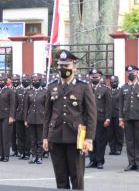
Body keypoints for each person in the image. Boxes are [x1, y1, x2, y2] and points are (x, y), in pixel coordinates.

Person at [43, 50, 97, 190]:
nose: (63, 69)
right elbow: (47, 115)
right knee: (60, 178)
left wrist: (89, 138)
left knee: (76, 177)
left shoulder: (83, 87)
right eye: (61, 65)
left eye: (66, 66)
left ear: (74, 67)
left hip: (76, 137)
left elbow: (91, 115)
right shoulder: (52, 86)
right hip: (55, 136)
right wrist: (45, 137)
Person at [120, 65, 139, 172]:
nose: (131, 74)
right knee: (129, 141)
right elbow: (121, 104)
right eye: (129, 72)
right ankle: (131, 163)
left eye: (133, 72)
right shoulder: (124, 87)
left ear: (137, 73)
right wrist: (120, 118)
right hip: (127, 117)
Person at [86, 69, 111, 169]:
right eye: (93, 77)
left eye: (96, 77)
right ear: (90, 77)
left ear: (100, 77)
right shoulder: (86, 88)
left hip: (101, 119)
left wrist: (108, 119)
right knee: (90, 140)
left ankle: (100, 161)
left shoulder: (105, 89)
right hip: (89, 119)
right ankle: (92, 160)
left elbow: (109, 106)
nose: (94, 79)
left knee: (100, 141)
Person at [23, 73, 47, 164]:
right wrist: (25, 119)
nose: (35, 81)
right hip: (31, 118)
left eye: (37, 80)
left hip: (41, 118)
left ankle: (39, 156)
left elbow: (47, 107)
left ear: (40, 81)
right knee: (32, 138)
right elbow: (26, 107)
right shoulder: (28, 91)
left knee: (40, 139)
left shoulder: (44, 92)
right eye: (33, 80)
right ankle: (33, 156)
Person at [16, 74, 32, 160]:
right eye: (24, 79)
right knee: (20, 135)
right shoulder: (18, 90)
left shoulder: (31, 90)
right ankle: (21, 152)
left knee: (27, 135)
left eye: (27, 79)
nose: (25, 81)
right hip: (19, 115)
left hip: (28, 116)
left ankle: (27, 152)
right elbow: (15, 104)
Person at [108, 76, 124, 156]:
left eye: (114, 82)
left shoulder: (121, 90)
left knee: (119, 133)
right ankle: (112, 149)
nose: (112, 83)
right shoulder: (108, 90)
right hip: (110, 115)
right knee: (110, 133)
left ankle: (118, 149)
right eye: (111, 82)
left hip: (118, 114)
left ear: (118, 82)